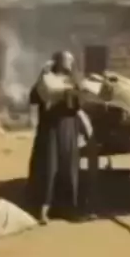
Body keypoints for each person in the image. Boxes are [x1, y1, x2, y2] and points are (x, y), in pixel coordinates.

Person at [26, 51, 87, 224]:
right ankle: (43, 209)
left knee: (69, 167)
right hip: (50, 129)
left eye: (71, 59)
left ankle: (68, 209)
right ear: (57, 61)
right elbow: (34, 97)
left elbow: (79, 103)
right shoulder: (47, 79)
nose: (69, 62)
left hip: (68, 127)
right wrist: (43, 77)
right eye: (66, 59)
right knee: (49, 167)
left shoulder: (74, 80)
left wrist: (74, 92)